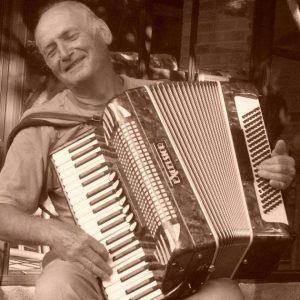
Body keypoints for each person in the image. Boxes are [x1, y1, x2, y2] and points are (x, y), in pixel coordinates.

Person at [0, 1, 296, 300]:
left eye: (70, 37)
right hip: (93, 267)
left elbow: (236, 176)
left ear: (103, 32)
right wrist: (54, 234)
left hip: (178, 267)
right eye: (50, 50)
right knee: (56, 286)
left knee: (225, 295)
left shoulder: (164, 100)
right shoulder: (42, 124)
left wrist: (271, 175)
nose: (64, 53)